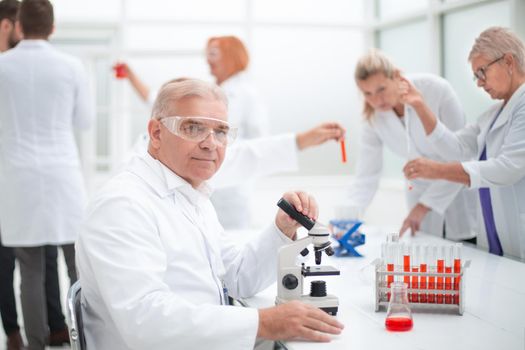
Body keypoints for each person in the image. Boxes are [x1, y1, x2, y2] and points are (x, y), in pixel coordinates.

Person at [76, 79, 344, 349]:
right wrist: (262, 322)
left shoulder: (191, 195)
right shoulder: (123, 205)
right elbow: (144, 321)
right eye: (193, 127)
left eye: (221, 131)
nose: (211, 144)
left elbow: (237, 278)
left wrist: (281, 230)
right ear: (156, 133)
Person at [0, 0, 93, 349]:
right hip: (61, 175)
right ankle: (83, 338)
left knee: (30, 269)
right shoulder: (71, 67)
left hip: (17, 179)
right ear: (53, 28)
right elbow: (84, 121)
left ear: (19, 25)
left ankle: (35, 343)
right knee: (77, 265)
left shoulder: (2, 66)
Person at [404, 27, 525, 261]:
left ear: (508, 61)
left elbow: (508, 168)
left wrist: (437, 170)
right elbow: (456, 147)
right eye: (476, 76)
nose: (480, 83)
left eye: (482, 72)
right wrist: (419, 105)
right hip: (497, 238)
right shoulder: (493, 114)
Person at [345, 49, 477, 240]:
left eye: (381, 89)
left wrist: (424, 206)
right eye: (368, 93)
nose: (376, 100)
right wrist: (347, 219)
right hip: (419, 193)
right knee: (427, 254)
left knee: (468, 253)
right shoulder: (372, 118)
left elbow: (462, 154)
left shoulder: (436, 90)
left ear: (397, 76)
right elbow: (366, 175)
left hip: (457, 191)